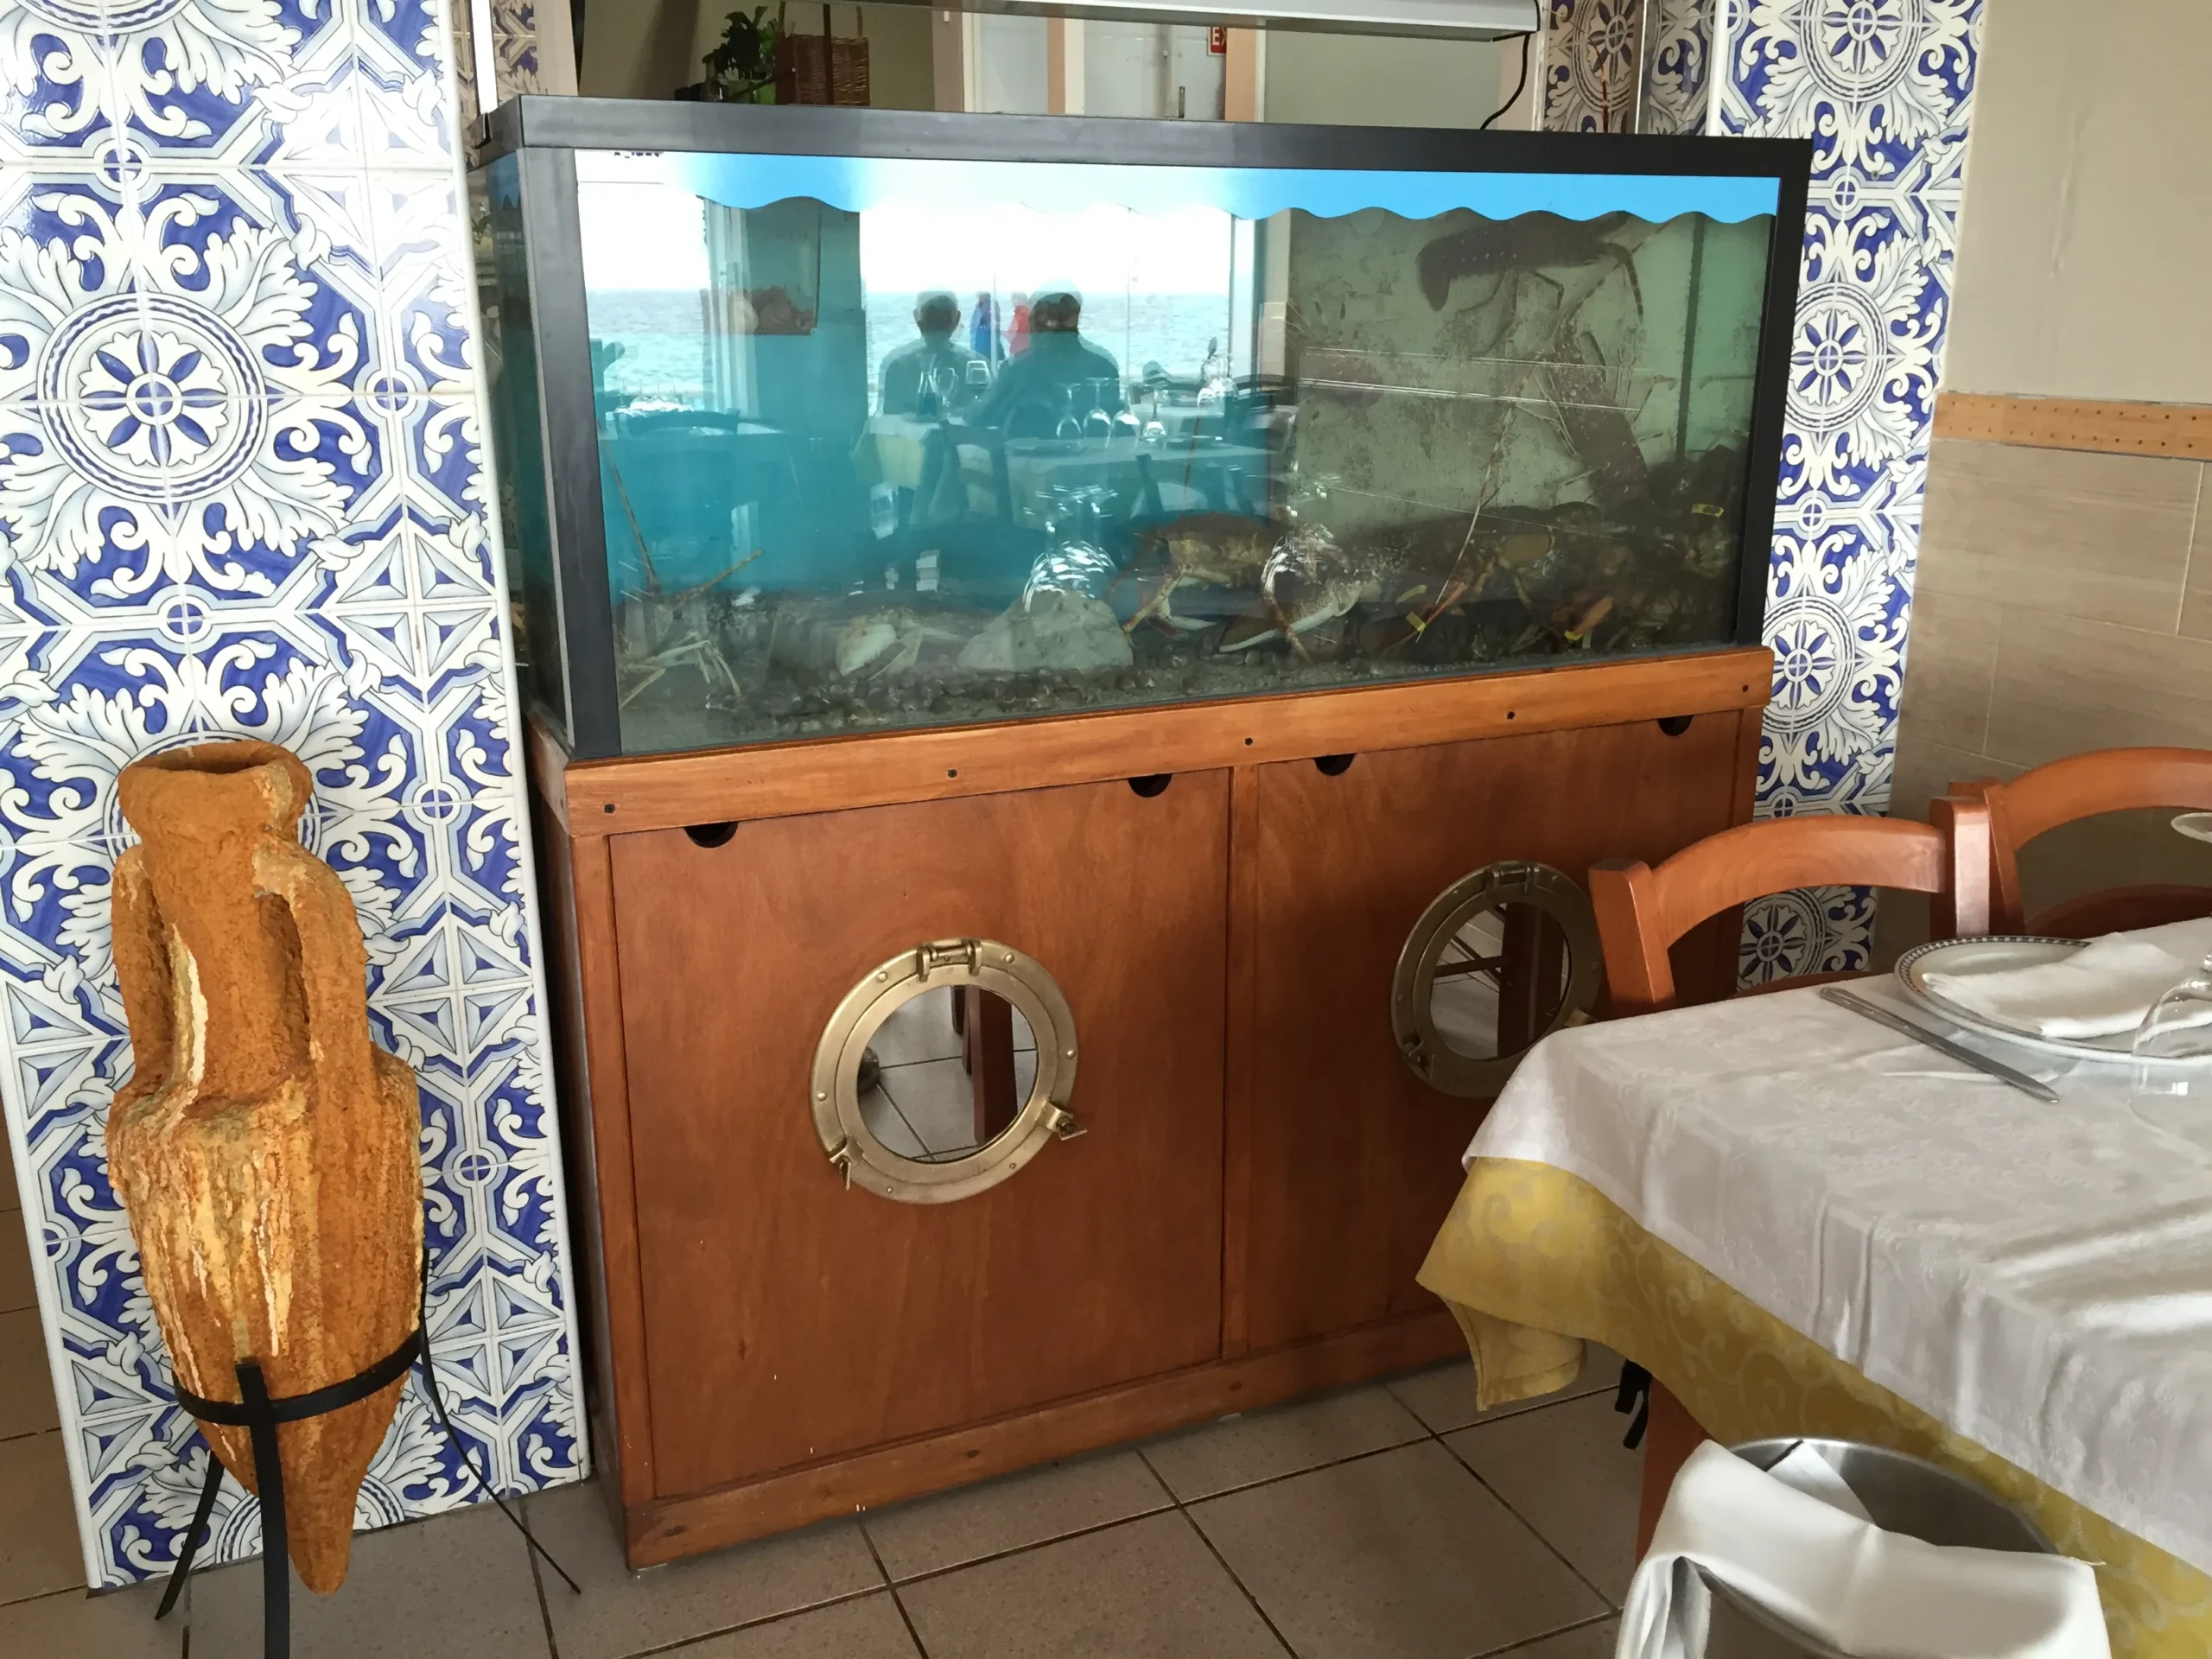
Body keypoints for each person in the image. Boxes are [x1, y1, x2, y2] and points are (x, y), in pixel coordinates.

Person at [969, 285, 1124, 438]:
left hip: (1028, 454)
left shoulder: (1019, 372)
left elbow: (978, 418)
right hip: (1093, 455)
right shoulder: (1104, 368)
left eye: (1033, 324)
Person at [878, 291, 985, 417]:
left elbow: (889, 418)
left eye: (942, 320)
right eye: (934, 321)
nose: (938, 326)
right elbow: (988, 415)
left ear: (920, 324)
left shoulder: (897, 365)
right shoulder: (977, 366)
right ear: (956, 321)